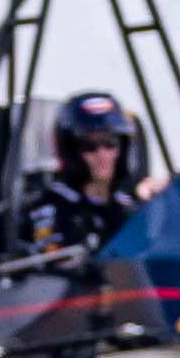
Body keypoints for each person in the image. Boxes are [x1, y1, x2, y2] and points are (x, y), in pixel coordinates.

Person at [22, 87, 155, 250]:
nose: (102, 154)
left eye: (110, 144)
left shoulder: (129, 208)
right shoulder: (51, 208)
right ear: (71, 151)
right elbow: (57, 267)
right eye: (90, 146)